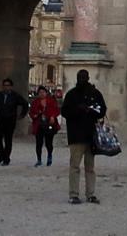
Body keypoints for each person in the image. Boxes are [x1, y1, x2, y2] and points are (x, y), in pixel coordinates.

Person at [60, 69, 106, 205]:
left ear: (87, 78)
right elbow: (64, 112)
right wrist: (78, 110)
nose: (82, 79)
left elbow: (102, 110)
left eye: (83, 77)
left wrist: (91, 110)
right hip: (77, 134)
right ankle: (74, 194)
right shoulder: (72, 95)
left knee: (89, 167)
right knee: (75, 166)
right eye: (80, 77)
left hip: (89, 134)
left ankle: (90, 194)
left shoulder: (94, 94)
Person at [0, 78, 28, 166]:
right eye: (4, 85)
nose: (6, 87)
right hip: (0, 120)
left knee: (8, 140)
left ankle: (6, 159)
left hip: (10, 120)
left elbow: (25, 104)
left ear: (11, 86)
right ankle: (1, 155)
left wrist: (22, 115)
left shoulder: (15, 96)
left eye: (8, 85)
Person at [29, 85, 60, 167]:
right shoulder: (35, 102)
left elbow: (57, 110)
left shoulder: (51, 101)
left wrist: (53, 116)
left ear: (46, 93)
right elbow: (31, 112)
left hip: (49, 123)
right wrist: (35, 116)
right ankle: (39, 159)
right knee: (38, 143)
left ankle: (49, 156)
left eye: (43, 92)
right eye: (40, 92)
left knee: (49, 142)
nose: (42, 94)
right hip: (39, 124)